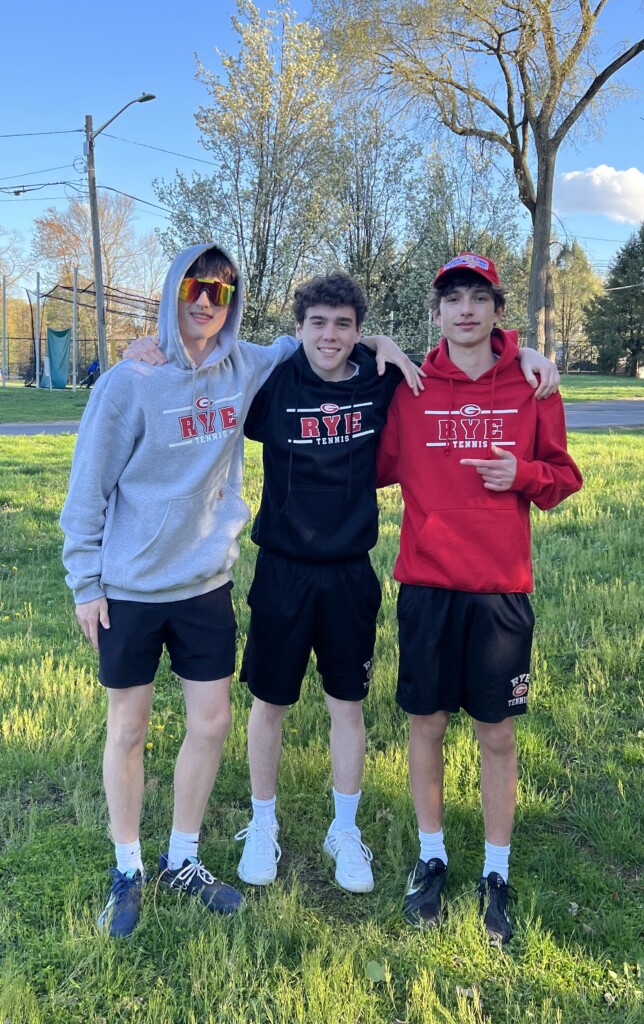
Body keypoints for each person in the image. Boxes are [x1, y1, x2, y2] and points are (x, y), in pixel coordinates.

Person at [232, 270, 562, 896]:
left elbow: (550, 466)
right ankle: (262, 823)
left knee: (348, 706)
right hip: (284, 569)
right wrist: (153, 347)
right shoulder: (278, 385)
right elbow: (211, 366)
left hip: (361, 573)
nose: (330, 336)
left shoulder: (384, 382)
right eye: (318, 324)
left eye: (345, 325)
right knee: (270, 704)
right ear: (297, 328)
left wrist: (524, 367)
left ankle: (346, 830)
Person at [60, 243, 305, 938]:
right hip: (130, 589)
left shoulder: (244, 364)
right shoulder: (127, 384)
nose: (206, 301)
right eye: (195, 287)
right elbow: (87, 492)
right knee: (129, 728)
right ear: (174, 291)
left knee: (211, 724)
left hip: (205, 586)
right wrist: (86, 584)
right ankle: (129, 866)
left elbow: (308, 340)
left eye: (221, 293)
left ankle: (184, 859)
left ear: (232, 304)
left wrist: (378, 340)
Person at [376, 252, 582, 942]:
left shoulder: (532, 388)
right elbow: (363, 453)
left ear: (498, 311)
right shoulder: (407, 388)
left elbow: (563, 477)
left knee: (497, 733)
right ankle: (431, 857)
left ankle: (497, 870)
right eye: (452, 299)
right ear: (435, 314)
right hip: (428, 587)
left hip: (499, 591)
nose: (465, 310)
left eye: (478, 298)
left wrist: (519, 472)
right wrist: (377, 347)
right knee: (427, 724)